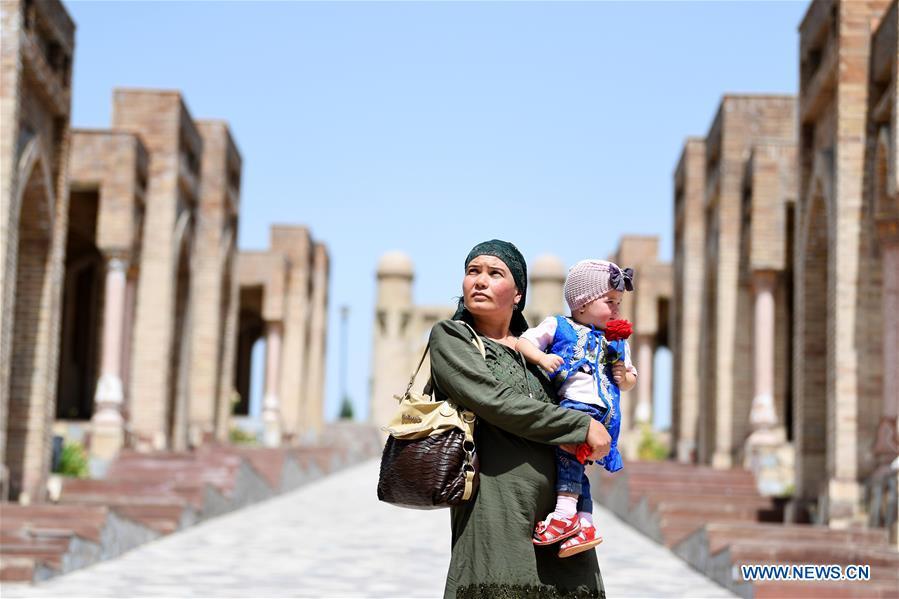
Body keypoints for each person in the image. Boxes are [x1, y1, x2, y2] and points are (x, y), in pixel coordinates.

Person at [428, 240, 609, 599]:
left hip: (559, 518)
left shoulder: (542, 352)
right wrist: (579, 427)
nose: (479, 281)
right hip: (495, 509)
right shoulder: (452, 339)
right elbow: (496, 402)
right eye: (472, 271)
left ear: (518, 294)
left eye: (495, 273)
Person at [517, 259, 637, 558]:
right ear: (582, 304)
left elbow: (630, 377)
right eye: (609, 301)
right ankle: (585, 522)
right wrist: (542, 359)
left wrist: (626, 377)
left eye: (619, 302)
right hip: (578, 407)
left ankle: (563, 515)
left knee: (568, 456)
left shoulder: (617, 341)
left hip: (602, 413)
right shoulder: (559, 325)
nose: (616, 309)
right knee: (575, 464)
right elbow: (524, 342)